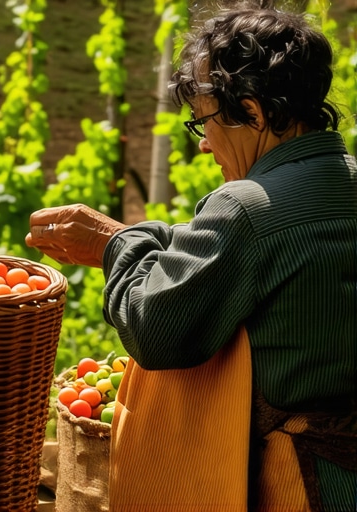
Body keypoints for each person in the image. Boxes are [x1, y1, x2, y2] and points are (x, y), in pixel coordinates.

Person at [26, 4, 357, 511]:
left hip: (305, 487)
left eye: (203, 122)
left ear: (253, 113)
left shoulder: (245, 210)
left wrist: (115, 246)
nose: (204, 145)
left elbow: (154, 328)